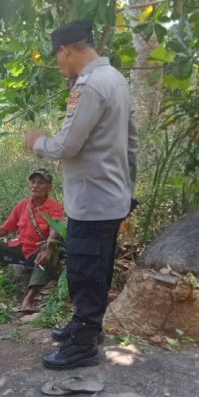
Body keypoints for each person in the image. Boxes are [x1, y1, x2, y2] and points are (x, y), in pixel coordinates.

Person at [24, 20, 139, 370]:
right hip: (112, 198)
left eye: (58, 59)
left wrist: (37, 143)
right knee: (98, 268)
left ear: (65, 50)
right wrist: (128, 190)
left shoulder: (89, 86)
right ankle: (88, 326)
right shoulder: (117, 80)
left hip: (91, 202)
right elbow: (132, 144)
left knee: (86, 273)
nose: (60, 67)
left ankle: (84, 345)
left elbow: (67, 145)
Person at [0, 169, 64, 313]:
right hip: (21, 250)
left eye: (41, 183)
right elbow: (4, 230)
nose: (35, 186)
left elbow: (54, 232)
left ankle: (29, 297)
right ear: (29, 185)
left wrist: (49, 249)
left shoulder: (55, 207)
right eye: (33, 182)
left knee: (46, 249)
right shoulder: (23, 205)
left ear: (49, 187)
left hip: (39, 254)